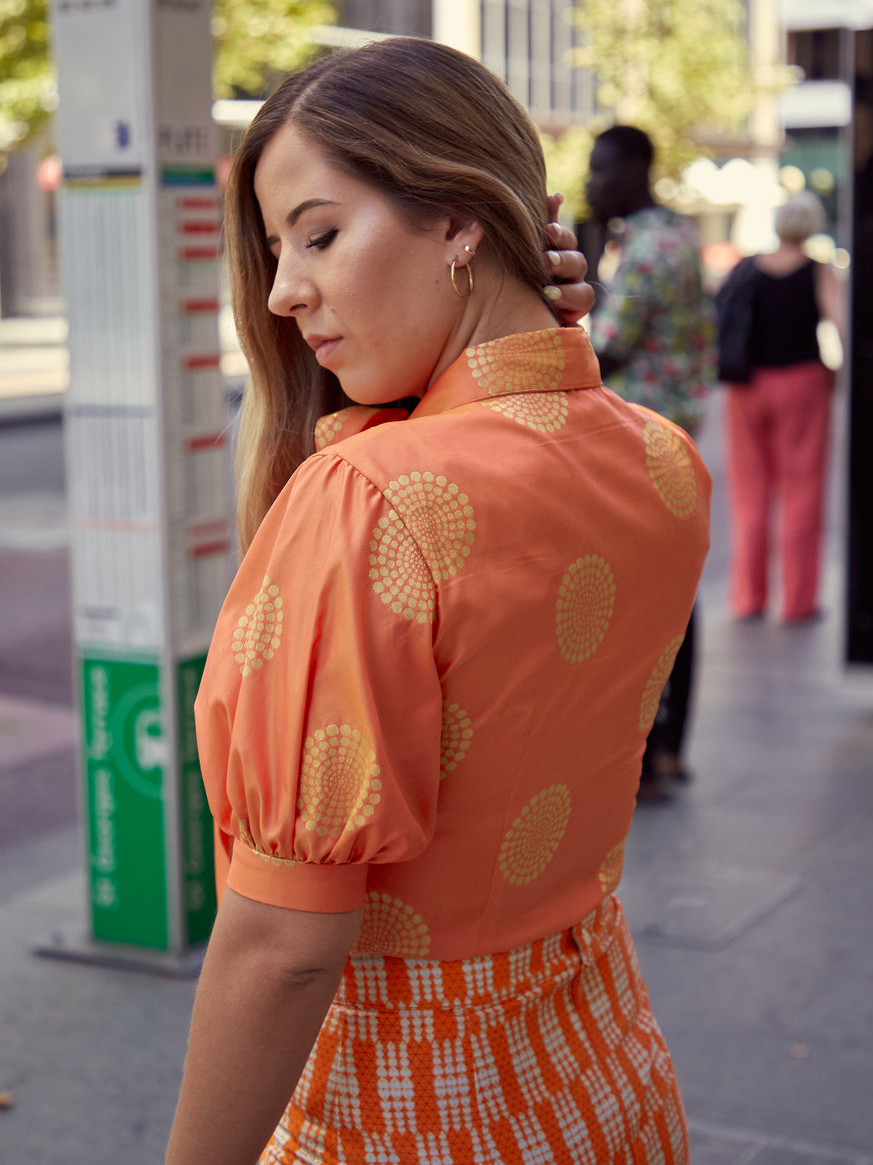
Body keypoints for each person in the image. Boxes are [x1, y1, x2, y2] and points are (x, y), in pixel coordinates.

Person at [166, 39, 710, 1165]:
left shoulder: (371, 500)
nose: (281, 293)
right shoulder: (660, 458)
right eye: (278, 250)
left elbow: (282, 945)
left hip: (400, 1112)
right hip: (605, 1076)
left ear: (462, 219)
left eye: (320, 233)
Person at [585, 124, 714, 798]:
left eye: (602, 169)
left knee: (639, 598)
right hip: (676, 434)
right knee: (676, 592)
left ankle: (642, 746)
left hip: (636, 440)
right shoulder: (681, 235)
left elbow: (601, 349)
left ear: (636, 169)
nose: (590, 181)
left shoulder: (643, 250)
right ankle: (668, 746)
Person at [718, 190, 844, 623]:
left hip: (746, 388)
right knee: (802, 491)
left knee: (749, 493)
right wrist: (845, 375)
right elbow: (840, 325)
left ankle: (749, 597)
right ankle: (797, 602)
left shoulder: (748, 267)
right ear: (811, 225)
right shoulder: (818, 271)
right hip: (802, 384)